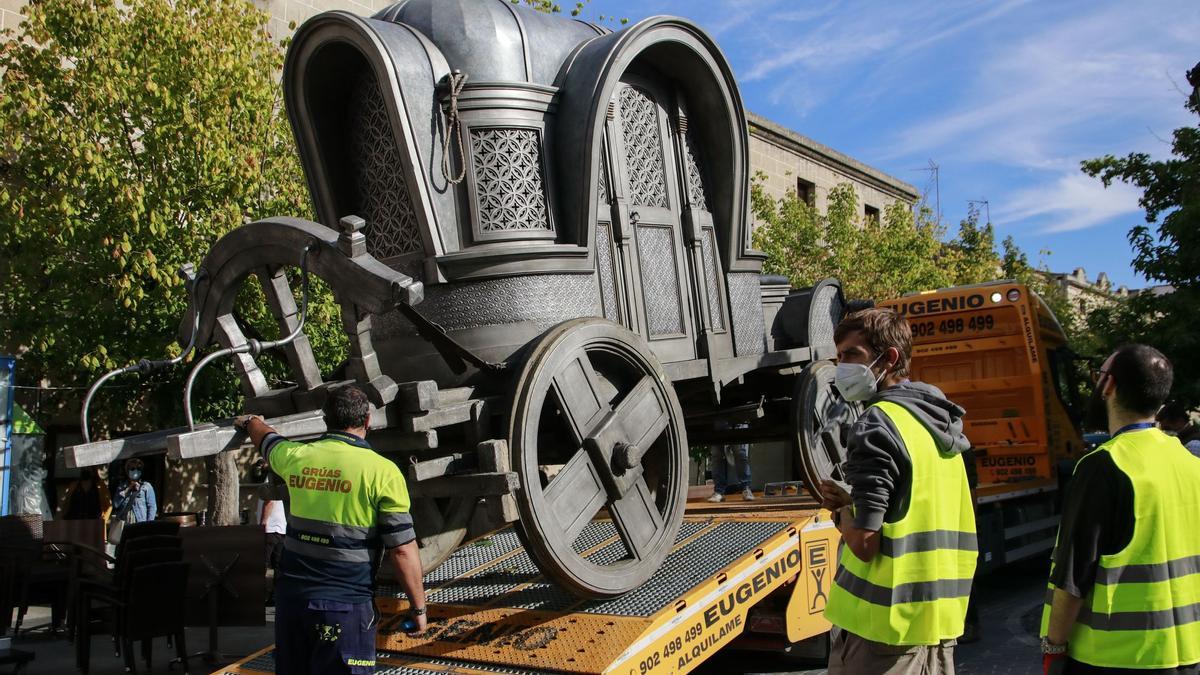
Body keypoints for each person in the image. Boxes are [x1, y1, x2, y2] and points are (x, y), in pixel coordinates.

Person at [818, 308, 976, 674]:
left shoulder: (876, 425)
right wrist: (856, 501)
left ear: (887, 358)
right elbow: (911, 506)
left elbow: (866, 543)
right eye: (839, 356)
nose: (841, 366)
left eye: (851, 355)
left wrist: (844, 516)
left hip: (883, 637)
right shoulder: (938, 424)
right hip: (938, 626)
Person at [236, 384, 427, 675]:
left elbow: (268, 440)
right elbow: (401, 549)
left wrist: (251, 422)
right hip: (345, 607)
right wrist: (418, 609)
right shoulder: (382, 471)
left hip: (293, 603)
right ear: (367, 421)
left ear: (326, 420)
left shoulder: (297, 458)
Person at [1040, 345, 1200, 674]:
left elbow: (1073, 577)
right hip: (1188, 650)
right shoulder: (1189, 462)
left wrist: (1053, 646)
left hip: (1117, 658)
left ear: (1109, 386)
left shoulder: (1104, 465)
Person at [253, 458, 287, 606]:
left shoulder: (269, 478)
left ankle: (257, 595)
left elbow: (269, 502)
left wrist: (263, 522)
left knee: (261, 562)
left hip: (270, 528)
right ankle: (276, 596)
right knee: (278, 564)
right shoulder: (280, 478)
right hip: (281, 528)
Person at [707, 422, 755, 502]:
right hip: (718, 421)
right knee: (717, 455)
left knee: (740, 453)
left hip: (738, 420)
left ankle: (746, 488)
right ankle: (719, 491)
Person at [111, 458, 157, 524]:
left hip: (140, 523)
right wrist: (128, 489)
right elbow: (116, 504)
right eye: (132, 469)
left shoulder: (146, 486)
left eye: (138, 469)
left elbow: (152, 507)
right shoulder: (121, 486)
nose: (135, 471)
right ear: (127, 471)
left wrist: (148, 525)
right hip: (123, 523)